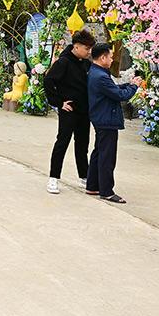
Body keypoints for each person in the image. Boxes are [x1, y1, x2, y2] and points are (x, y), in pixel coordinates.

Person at [85, 43, 143, 204]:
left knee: (99, 152)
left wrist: (129, 84)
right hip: (106, 119)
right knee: (107, 156)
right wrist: (134, 87)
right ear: (102, 57)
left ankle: (93, 185)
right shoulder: (101, 76)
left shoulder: (97, 73)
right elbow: (120, 95)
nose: (111, 60)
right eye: (110, 57)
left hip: (101, 117)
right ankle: (106, 191)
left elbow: (113, 89)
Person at [43, 29, 95, 194]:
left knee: (82, 144)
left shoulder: (86, 63)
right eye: (86, 49)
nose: (89, 52)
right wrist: (59, 102)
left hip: (84, 110)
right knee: (62, 142)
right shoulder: (63, 62)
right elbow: (49, 81)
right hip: (69, 109)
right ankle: (53, 178)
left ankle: (84, 176)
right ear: (77, 46)